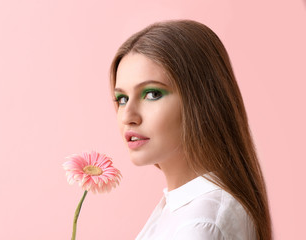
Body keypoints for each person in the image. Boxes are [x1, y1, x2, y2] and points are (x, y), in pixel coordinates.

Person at [109, 20, 272, 240]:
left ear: (202, 101)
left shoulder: (200, 224)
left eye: (152, 94)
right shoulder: (186, 207)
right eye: (122, 98)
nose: (128, 116)